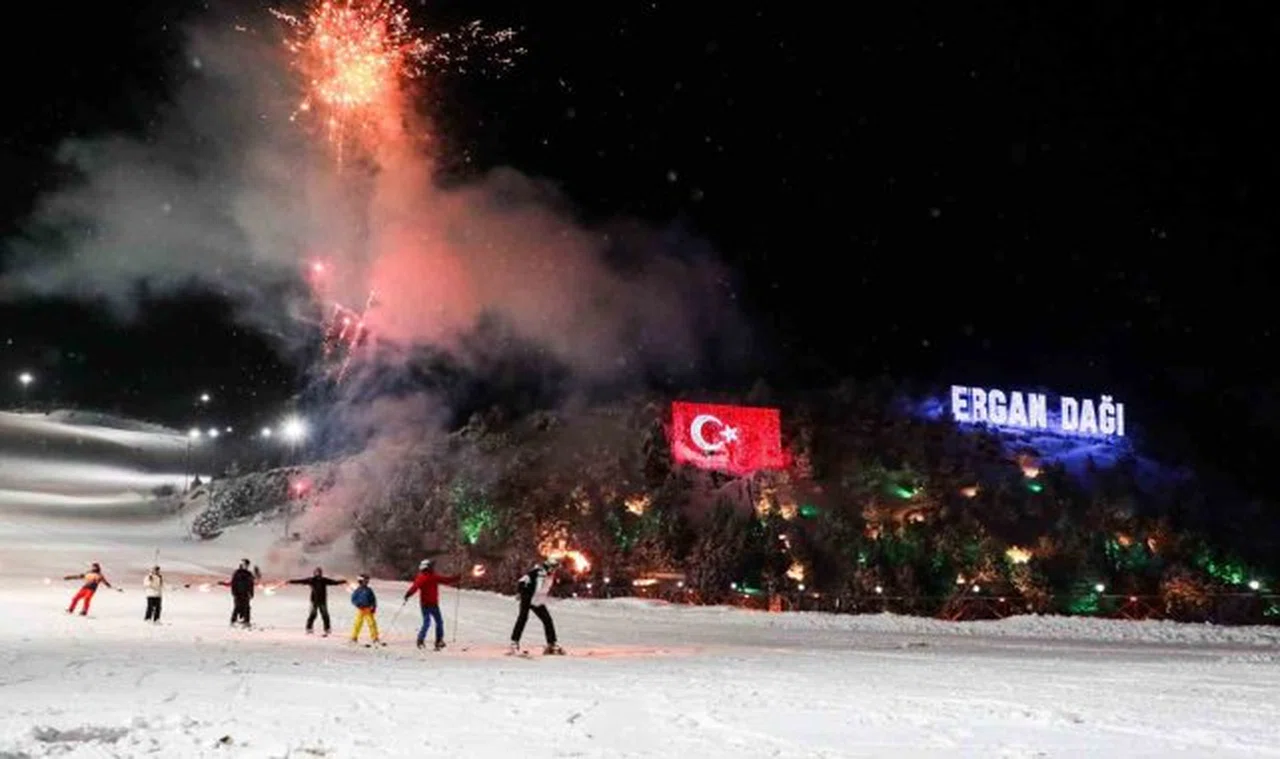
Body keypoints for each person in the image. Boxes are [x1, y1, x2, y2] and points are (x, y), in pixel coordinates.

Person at [509, 557, 564, 655]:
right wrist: (521, 592)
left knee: (547, 620)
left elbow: (543, 589)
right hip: (528, 597)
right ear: (549, 566)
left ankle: (551, 643)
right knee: (523, 618)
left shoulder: (549, 576)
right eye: (554, 568)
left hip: (537, 600)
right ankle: (514, 642)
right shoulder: (537, 573)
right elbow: (522, 581)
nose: (555, 570)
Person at [404, 559, 462, 650]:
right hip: (426, 604)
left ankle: (439, 641)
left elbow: (445, 580)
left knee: (439, 622)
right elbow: (415, 587)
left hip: (434, 604)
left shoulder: (433, 576)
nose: (433, 568)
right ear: (426, 567)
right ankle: (420, 640)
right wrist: (408, 594)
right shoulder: (422, 577)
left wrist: (456, 578)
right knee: (427, 622)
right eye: (431, 566)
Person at [287, 567, 347, 635]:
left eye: (319, 572)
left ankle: (327, 628)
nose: (318, 573)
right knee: (313, 615)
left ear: (321, 573)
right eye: (316, 572)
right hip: (314, 601)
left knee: (325, 615)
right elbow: (300, 581)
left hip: (322, 601)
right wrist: (290, 581)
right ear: (314, 573)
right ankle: (309, 628)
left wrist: (343, 581)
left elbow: (334, 582)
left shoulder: (324, 580)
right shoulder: (311, 580)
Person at [220, 559, 256, 628]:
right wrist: (234, 593)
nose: (246, 566)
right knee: (237, 607)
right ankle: (233, 621)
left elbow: (251, 584)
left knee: (247, 608)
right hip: (238, 594)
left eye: (247, 565)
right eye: (244, 564)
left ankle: (246, 621)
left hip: (246, 594)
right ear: (242, 565)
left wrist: (251, 593)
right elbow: (233, 583)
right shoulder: (237, 573)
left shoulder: (249, 574)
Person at [350, 574, 380, 644]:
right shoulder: (357, 590)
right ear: (360, 581)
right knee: (358, 623)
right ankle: (354, 637)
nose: (366, 582)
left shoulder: (369, 590)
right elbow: (353, 599)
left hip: (368, 609)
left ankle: (375, 637)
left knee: (372, 623)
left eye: (367, 581)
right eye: (365, 581)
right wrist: (358, 604)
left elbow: (373, 599)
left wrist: (374, 607)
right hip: (361, 609)